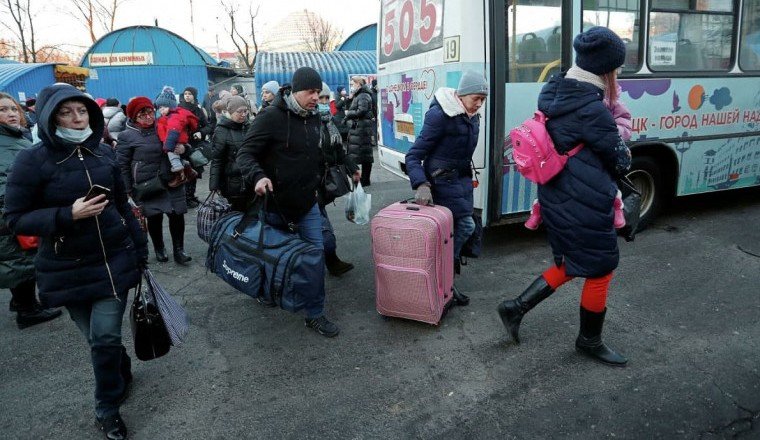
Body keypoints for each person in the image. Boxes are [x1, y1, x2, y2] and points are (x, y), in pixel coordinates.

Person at [4, 83, 148, 440]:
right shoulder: (31, 160)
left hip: (112, 261)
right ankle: (119, 365)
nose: (76, 118)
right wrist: (67, 214)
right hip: (63, 267)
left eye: (81, 111)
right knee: (99, 341)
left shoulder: (104, 154)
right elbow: (15, 219)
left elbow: (121, 206)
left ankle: (107, 410)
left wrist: (141, 250)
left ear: (92, 115)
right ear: (51, 117)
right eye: (66, 112)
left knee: (103, 337)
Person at [496, 26, 633, 367]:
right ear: (606, 69)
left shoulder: (556, 91)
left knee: (571, 263)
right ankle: (589, 341)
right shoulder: (592, 108)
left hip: (557, 197)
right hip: (583, 202)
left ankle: (515, 307)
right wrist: (620, 123)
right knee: (600, 268)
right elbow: (621, 159)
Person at [237, 67, 340, 338]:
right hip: (273, 206)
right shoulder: (271, 116)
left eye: (319, 92)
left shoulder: (313, 117)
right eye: (311, 91)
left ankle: (314, 313)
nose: (316, 97)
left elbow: (317, 155)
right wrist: (257, 176)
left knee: (315, 257)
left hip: (306, 205)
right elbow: (245, 154)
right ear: (295, 91)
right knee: (270, 257)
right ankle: (266, 290)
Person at [405, 70, 489, 306]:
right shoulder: (440, 115)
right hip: (442, 183)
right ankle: (441, 279)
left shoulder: (471, 117)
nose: (479, 105)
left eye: (483, 100)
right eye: (476, 99)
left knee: (455, 233)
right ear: (461, 95)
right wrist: (421, 184)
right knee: (465, 226)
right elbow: (413, 155)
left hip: (461, 182)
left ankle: (445, 285)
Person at [524, 84, 633, 230]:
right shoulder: (566, 102)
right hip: (566, 151)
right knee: (550, 179)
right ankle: (538, 208)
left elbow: (625, 128)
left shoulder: (613, 103)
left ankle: (617, 205)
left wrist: (605, 128)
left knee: (606, 181)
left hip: (597, 151)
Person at [0, 92, 62, 329]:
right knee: (20, 262)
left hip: (20, 212)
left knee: (21, 259)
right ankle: (27, 310)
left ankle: (22, 302)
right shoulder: (6, 142)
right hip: (12, 215)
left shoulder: (15, 138)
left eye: (13, 109)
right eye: (3, 110)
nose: (11, 114)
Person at [117, 97, 192, 265]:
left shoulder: (165, 124)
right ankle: (159, 248)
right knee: (154, 218)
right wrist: (128, 190)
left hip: (172, 178)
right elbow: (122, 166)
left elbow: (185, 141)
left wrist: (184, 148)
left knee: (177, 215)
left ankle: (179, 250)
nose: (149, 117)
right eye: (142, 114)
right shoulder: (126, 136)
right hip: (148, 184)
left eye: (150, 112)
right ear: (134, 116)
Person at [317, 83, 360, 276]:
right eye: (321, 99)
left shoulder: (329, 123)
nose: (324, 102)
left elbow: (339, 152)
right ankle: (329, 261)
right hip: (310, 185)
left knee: (319, 226)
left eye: (327, 99)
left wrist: (353, 169)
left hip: (324, 184)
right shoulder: (307, 124)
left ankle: (329, 261)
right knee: (323, 229)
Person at [209, 95, 251, 212]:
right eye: (239, 111)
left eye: (245, 111)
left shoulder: (249, 127)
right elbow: (217, 160)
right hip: (232, 185)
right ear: (230, 111)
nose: (243, 114)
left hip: (251, 181)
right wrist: (214, 185)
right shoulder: (221, 130)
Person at [154, 85, 198, 187]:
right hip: (174, 142)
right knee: (176, 157)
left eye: (163, 107)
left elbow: (173, 131)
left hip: (174, 142)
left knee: (173, 156)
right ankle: (187, 168)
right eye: (159, 108)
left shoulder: (173, 117)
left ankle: (179, 172)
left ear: (171, 106)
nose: (161, 110)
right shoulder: (165, 117)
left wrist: (168, 146)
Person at [178, 86, 213, 208]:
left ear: (194, 95)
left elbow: (208, 126)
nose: (187, 96)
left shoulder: (198, 110)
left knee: (195, 172)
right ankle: (185, 198)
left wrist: (201, 133)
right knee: (186, 172)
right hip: (183, 146)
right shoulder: (179, 109)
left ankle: (191, 196)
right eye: (185, 93)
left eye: (190, 94)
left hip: (196, 146)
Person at [344, 76, 376, 187]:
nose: (352, 86)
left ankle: (364, 179)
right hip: (359, 128)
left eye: (353, 84)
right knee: (362, 155)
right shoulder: (360, 95)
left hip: (362, 129)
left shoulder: (363, 95)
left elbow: (362, 110)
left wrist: (349, 113)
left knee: (363, 155)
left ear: (359, 84)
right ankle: (362, 179)